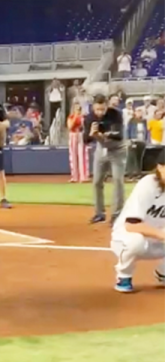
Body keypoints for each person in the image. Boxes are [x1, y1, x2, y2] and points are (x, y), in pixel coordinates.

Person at [110, 152, 165, 292]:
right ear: (159, 167)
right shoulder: (148, 184)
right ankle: (124, 276)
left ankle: (163, 272)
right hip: (126, 238)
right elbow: (131, 225)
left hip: (158, 241)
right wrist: (161, 234)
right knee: (136, 241)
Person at [84, 94, 126, 224]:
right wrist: (92, 134)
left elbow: (119, 135)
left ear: (107, 106)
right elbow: (85, 140)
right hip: (101, 149)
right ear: (93, 107)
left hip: (117, 149)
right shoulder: (89, 118)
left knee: (118, 181)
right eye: (97, 109)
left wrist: (103, 134)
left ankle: (117, 214)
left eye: (102, 109)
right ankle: (99, 213)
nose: (100, 112)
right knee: (97, 181)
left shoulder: (115, 114)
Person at [67, 102, 88, 183]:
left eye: (79, 109)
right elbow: (70, 127)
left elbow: (84, 127)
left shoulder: (83, 117)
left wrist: (81, 119)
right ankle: (74, 177)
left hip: (80, 134)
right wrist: (75, 117)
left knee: (82, 155)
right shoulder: (71, 117)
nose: (78, 110)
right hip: (73, 135)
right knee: (73, 155)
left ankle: (83, 176)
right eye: (76, 108)